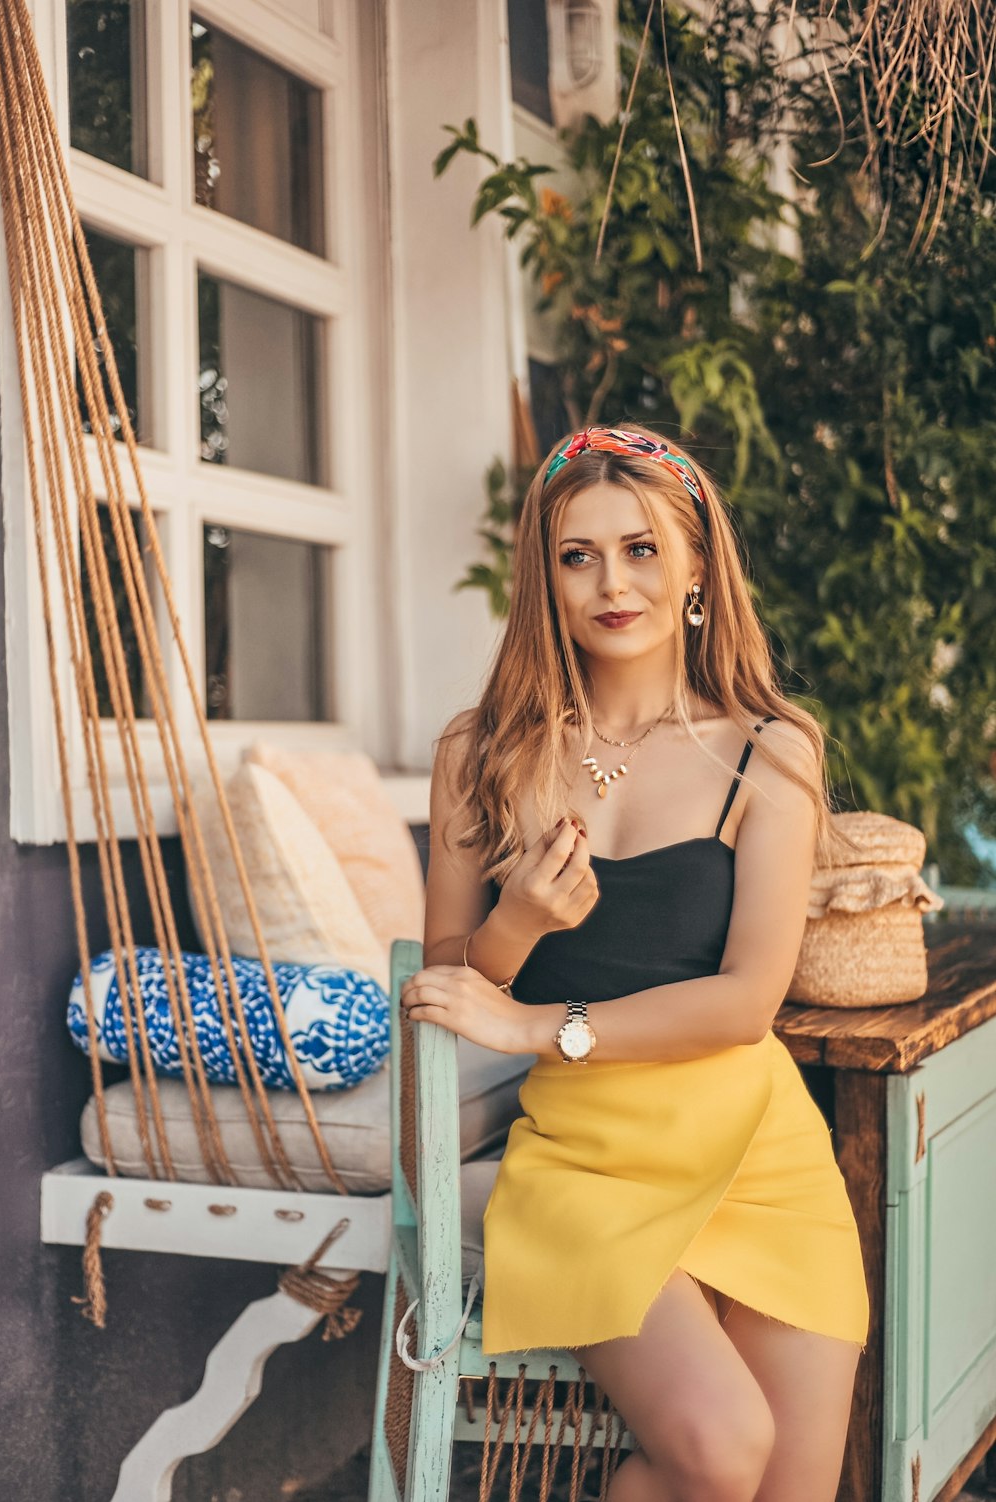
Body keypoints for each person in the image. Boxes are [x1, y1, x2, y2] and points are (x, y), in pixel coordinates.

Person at [400, 424, 869, 1502]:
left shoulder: (765, 748)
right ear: (544, 577)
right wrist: (515, 921)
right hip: (585, 1157)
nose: (612, 581)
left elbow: (748, 1000)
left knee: (788, 1486)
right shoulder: (481, 751)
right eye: (578, 554)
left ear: (697, 562)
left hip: (756, 1149)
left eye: (642, 548)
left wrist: (536, 1025)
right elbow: (445, 981)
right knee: (717, 1446)